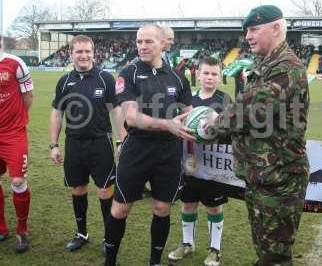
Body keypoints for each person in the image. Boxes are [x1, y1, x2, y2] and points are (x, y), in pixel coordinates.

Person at [201, 5, 310, 266]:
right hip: (264, 174)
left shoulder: (285, 68)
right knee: (266, 249)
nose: (248, 36)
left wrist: (210, 126)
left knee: (274, 256)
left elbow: (248, 113)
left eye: (254, 29)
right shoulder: (266, 63)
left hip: (279, 179)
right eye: (246, 30)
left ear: (276, 28)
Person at [104, 24, 194, 266]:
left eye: (148, 41)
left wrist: (206, 122)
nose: (142, 46)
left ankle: (154, 261)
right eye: (139, 41)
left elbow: (190, 113)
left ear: (163, 43)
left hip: (169, 153)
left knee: (162, 208)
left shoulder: (177, 76)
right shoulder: (128, 73)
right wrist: (168, 124)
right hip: (137, 149)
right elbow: (131, 118)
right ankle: (110, 260)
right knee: (120, 209)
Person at [49, 35, 126, 252]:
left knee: (105, 190)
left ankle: (108, 237)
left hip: (100, 144)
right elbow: (57, 114)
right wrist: (53, 145)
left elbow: (117, 111)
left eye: (87, 51)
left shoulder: (105, 79)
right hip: (74, 144)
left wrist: (122, 140)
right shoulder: (64, 81)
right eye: (79, 51)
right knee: (78, 188)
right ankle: (81, 233)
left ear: (94, 53)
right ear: (71, 53)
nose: (83, 55)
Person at [168, 56, 231, 266]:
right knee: (188, 204)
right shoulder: (188, 101)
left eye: (214, 74)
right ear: (197, 74)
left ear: (220, 77)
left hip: (214, 167)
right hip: (190, 165)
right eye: (206, 73)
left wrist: (211, 131)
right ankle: (187, 243)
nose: (210, 77)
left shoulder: (225, 100)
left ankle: (215, 249)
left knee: (214, 207)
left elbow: (231, 131)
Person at [0, 34, 34, 252]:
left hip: (13, 134)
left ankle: (22, 230)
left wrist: (17, 121)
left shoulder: (15, 63)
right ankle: (1, 226)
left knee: (18, 181)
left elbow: (29, 96)